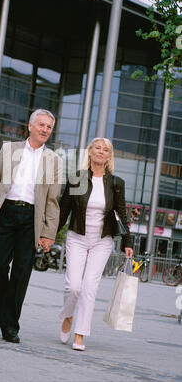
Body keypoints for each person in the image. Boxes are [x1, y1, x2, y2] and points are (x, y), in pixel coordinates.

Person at [0, 109, 62, 344]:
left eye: (49, 127)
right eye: (41, 125)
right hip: (5, 212)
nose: (45, 130)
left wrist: (48, 233)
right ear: (30, 126)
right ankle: (2, 306)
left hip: (31, 219)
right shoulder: (10, 150)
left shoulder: (54, 160)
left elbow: (53, 201)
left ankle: (10, 325)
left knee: (22, 272)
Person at [58, 137, 133, 351]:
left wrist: (127, 242)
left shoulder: (116, 183)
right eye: (97, 148)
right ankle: (67, 316)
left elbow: (122, 214)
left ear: (109, 156)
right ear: (90, 152)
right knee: (73, 286)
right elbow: (64, 210)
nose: (101, 152)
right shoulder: (77, 179)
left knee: (90, 288)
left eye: (105, 150)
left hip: (102, 240)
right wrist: (49, 235)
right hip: (77, 237)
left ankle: (80, 334)